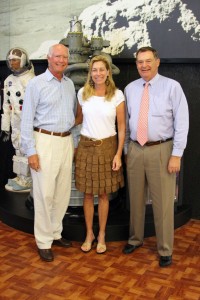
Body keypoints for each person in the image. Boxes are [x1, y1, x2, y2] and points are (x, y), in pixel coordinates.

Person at [123, 46, 189, 267]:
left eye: (148, 61)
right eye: (140, 62)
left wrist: (176, 155)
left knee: (162, 204)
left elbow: (182, 123)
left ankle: (164, 249)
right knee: (135, 199)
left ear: (157, 62)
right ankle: (135, 239)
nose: (144, 65)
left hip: (162, 150)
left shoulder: (172, 87)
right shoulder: (130, 89)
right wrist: (126, 150)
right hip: (135, 149)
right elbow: (125, 121)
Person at [20, 44, 81, 262]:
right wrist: (31, 152)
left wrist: (73, 144)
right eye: (57, 56)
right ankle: (44, 241)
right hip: (44, 141)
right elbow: (26, 120)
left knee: (62, 192)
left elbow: (72, 118)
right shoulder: (36, 84)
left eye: (65, 57)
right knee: (45, 194)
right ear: (48, 58)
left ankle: (56, 233)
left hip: (65, 142)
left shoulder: (69, 84)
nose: (61, 60)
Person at [75, 55, 125, 254]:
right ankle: (89, 234)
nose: (98, 73)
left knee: (103, 194)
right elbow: (78, 119)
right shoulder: (82, 94)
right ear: (90, 73)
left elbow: (121, 127)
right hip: (86, 147)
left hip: (108, 148)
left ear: (108, 72)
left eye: (101, 70)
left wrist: (118, 154)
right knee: (88, 194)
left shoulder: (117, 95)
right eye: (94, 70)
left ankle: (102, 234)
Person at [1, 47, 35, 192]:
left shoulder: (31, 80)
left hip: (28, 122)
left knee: (27, 149)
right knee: (17, 149)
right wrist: (5, 127)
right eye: (10, 60)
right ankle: (21, 176)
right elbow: (6, 106)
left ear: (23, 61)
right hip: (15, 122)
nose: (11, 63)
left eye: (15, 60)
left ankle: (28, 179)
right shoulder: (9, 80)